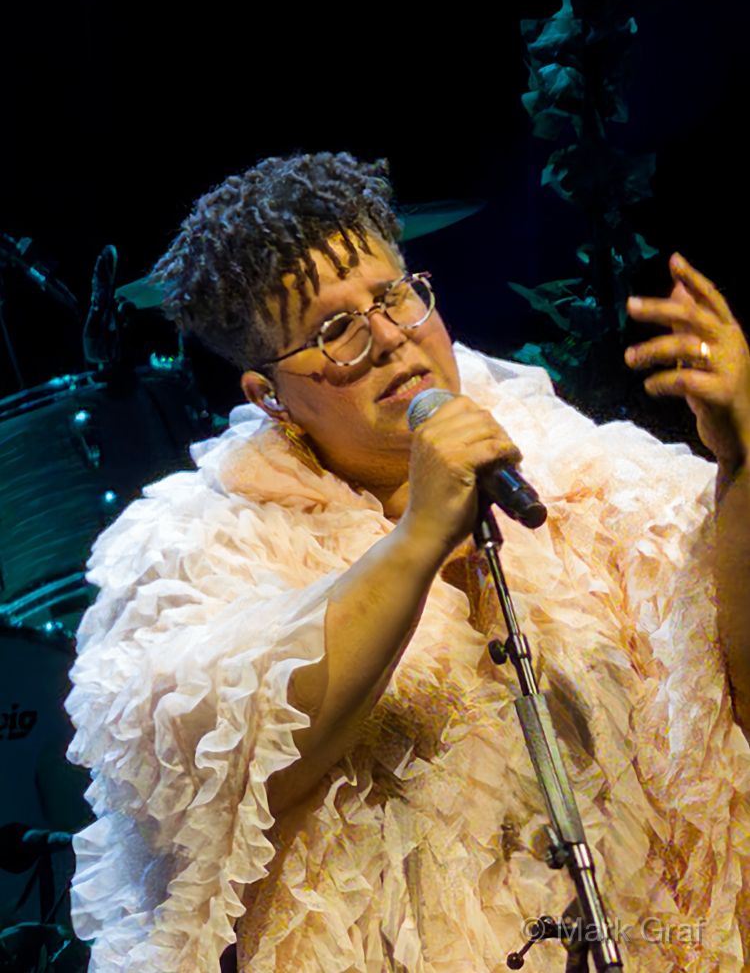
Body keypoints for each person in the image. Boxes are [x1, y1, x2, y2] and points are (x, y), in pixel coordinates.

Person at [64, 152, 750, 972]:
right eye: (335, 331)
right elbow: (228, 770)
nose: (391, 338)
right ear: (269, 395)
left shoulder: (576, 466)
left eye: (392, 297)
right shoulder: (199, 543)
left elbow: (727, 684)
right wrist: (420, 535)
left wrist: (742, 466)